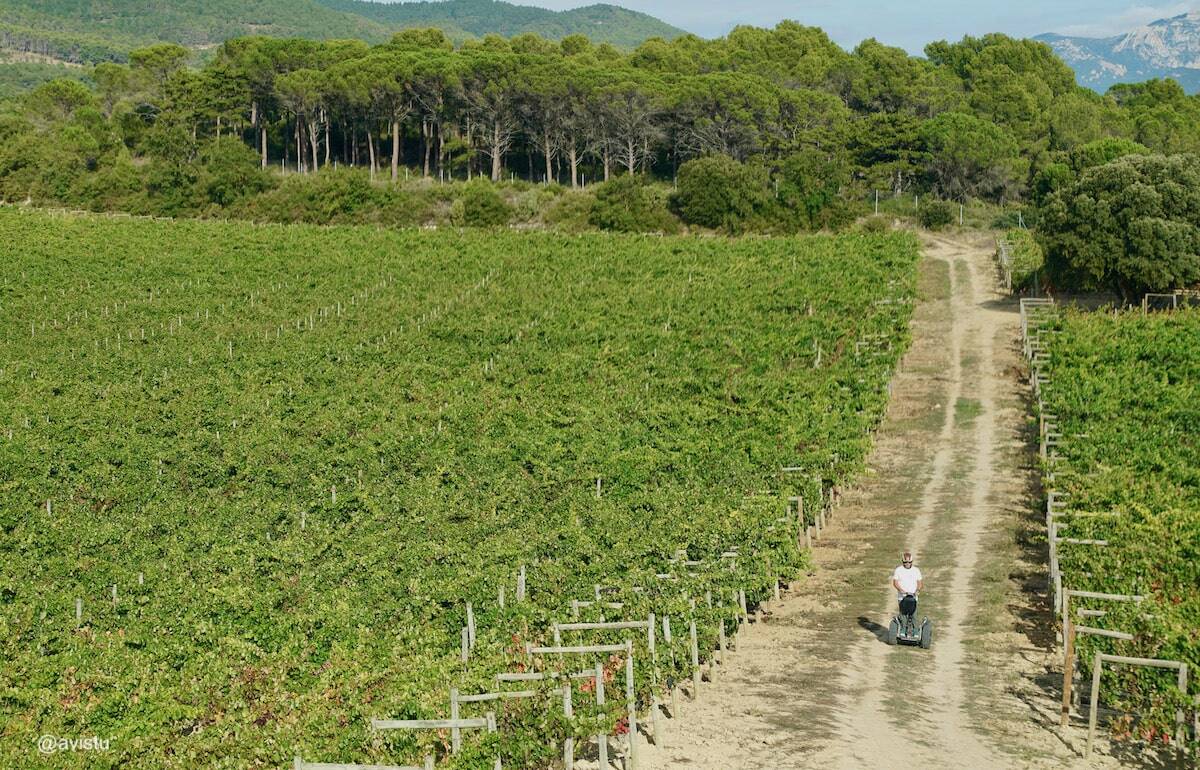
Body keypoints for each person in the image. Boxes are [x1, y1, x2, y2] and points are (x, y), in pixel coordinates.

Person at [891, 551, 923, 619]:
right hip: (902, 597)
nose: (907, 564)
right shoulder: (898, 570)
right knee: (903, 617)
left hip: (913, 597)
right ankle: (902, 628)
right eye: (905, 562)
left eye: (909, 562)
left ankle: (914, 629)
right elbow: (895, 582)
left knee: (914, 617)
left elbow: (919, 583)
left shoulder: (916, 570)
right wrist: (900, 590)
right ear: (902, 561)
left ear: (912, 561)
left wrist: (917, 590)